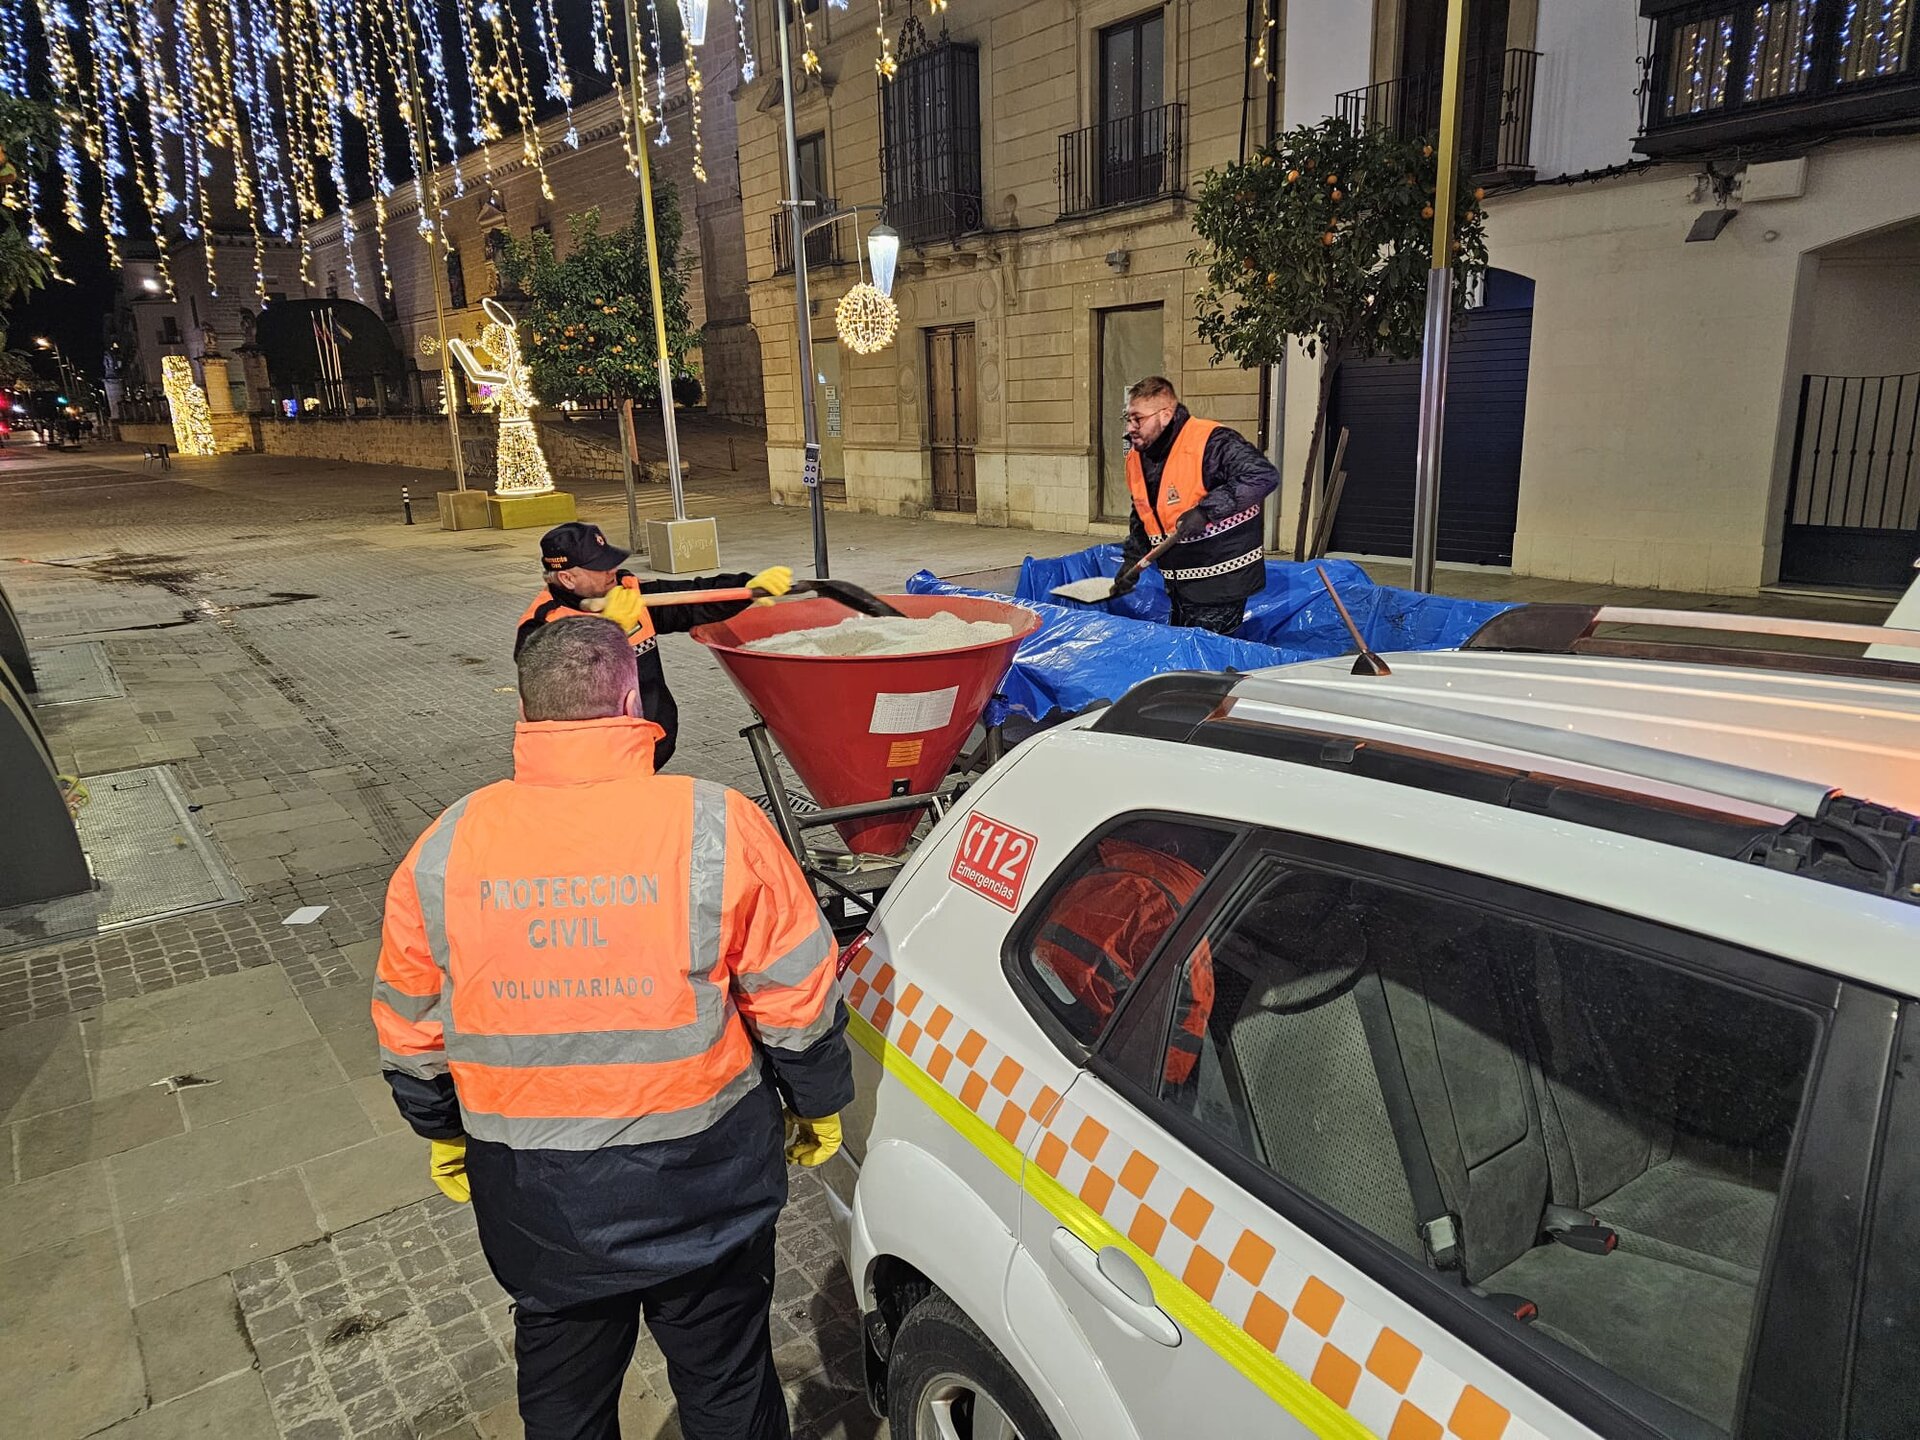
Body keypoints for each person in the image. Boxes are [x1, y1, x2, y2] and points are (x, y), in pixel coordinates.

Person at [373, 616, 852, 1440]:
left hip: (536, 1199)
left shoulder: (445, 846)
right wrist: (817, 1100)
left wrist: (443, 1130)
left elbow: (411, 1026)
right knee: (728, 1386)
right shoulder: (719, 823)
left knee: (564, 1403)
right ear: (633, 703)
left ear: (524, 711)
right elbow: (795, 995)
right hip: (705, 1187)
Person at [516, 522, 792, 771]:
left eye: (609, 561)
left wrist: (746, 588)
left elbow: (691, 599)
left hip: (648, 747)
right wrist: (608, 629)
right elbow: (562, 689)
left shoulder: (628, 592)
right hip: (589, 762)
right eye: (599, 567)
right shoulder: (541, 626)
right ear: (567, 578)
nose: (611, 570)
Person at [1113, 376, 1281, 635]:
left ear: (1165, 415)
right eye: (1128, 418)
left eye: (1138, 419)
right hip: (1180, 584)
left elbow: (1262, 475)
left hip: (1221, 581)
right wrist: (1132, 562)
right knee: (1187, 650)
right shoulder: (1136, 459)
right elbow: (1143, 515)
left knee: (1208, 654)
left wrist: (1205, 512)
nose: (1130, 427)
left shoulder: (1211, 442)